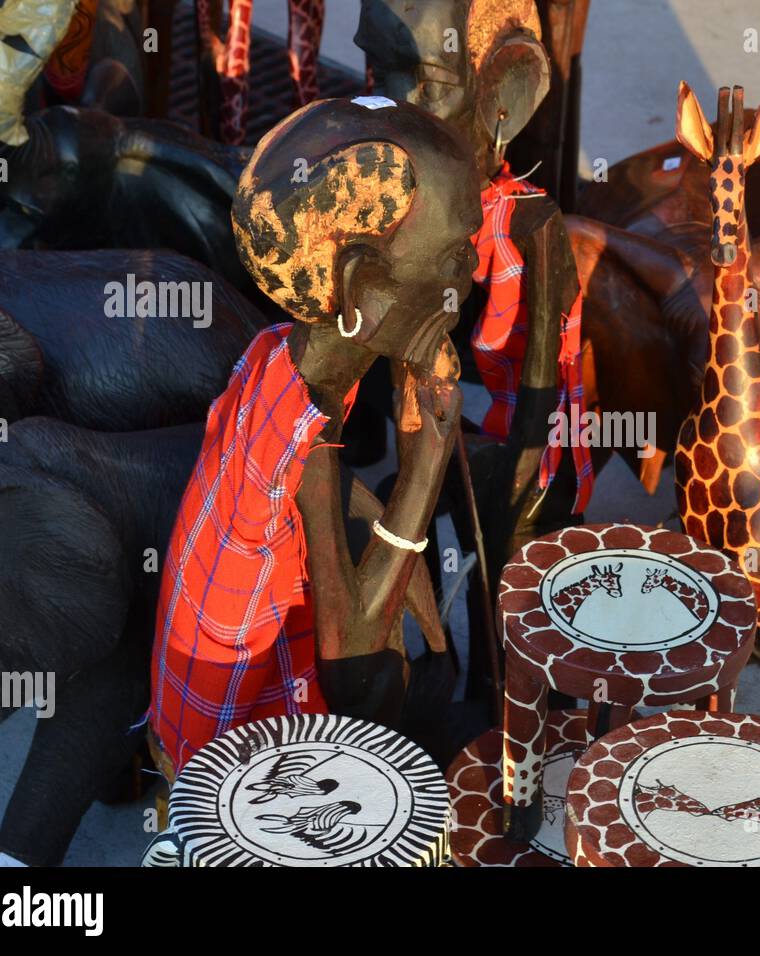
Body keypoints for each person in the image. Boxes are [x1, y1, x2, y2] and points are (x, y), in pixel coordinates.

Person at [148, 96, 483, 773]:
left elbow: (314, 504)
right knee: (394, 683)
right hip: (249, 754)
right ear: (360, 287)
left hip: (223, 684)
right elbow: (356, 670)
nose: (469, 273)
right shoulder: (303, 438)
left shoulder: (286, 360)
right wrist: (425, 466)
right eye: (452, 256)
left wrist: (395, 539)